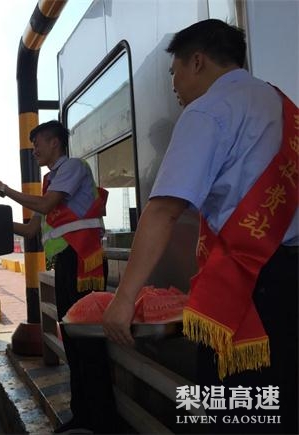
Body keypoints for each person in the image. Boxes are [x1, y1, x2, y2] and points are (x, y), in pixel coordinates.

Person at [101, 19, 298, 434]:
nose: (174, 85)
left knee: (237, 410)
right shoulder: (281, 103)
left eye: (174, 72)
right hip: (290, 276)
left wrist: (124, 297)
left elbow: (163, 211)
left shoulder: (208, 110)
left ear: (197, 61)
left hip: (249, 282)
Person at [0, 120, 120, 434]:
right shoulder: (50, 184)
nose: (34, 150)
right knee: (73, 342)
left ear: (55, 143)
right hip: (66, 264)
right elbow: (30, 230)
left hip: (83, 262)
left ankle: (104, 421)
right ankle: (83, 416)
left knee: (88, 343)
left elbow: (47, 206)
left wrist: (4, 190)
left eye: (38, 143)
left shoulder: (72, 168)